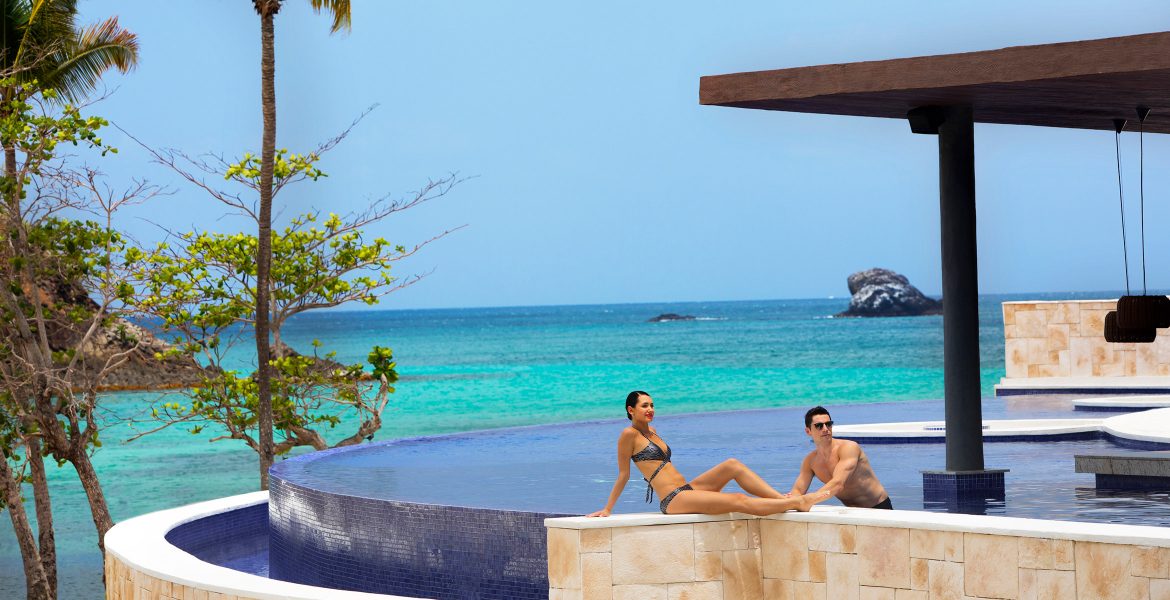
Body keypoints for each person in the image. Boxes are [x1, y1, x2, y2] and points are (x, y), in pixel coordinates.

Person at [587, 391, 828, 517]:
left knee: (732, 465)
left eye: (652, 405)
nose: (650, 409)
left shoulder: (653, 431)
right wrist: (608, 508)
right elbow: (622, 475)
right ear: (631, 410)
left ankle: (781, 500)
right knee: (737, 501)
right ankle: (796, 503)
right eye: (644, 406)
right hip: (672, 500)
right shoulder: (628, 435)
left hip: (687, 490)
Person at [789, 406, 892, 509]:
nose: (825, 429)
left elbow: (838, 484)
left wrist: (809, 500)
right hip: (851, 511)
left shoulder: (848, 448)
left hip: (879, 507)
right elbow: (798, 490)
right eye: (819, 426)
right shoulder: (810, 461)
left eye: (828, 424)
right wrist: (791, 500)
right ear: (808, 431)